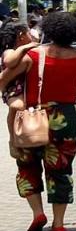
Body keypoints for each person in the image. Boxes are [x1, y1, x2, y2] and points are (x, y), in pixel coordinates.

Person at [0, 10, 76, 231]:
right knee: (61, 170)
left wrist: (14, 97)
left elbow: (3, 80)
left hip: (32, 117)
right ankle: (58, 223)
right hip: (66, 119)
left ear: (48, 29)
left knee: (27, 166)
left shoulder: (32, 56)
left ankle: (37, 214)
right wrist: (68, 93)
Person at [1, 21, 40, 150]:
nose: (31, 35)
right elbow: (9, 62)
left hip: (23, 87)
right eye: (28, 32)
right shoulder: (9, 51)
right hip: (13, 89)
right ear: (21, 35)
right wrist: (25, 47)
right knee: (18, 106)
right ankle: (13, 139)